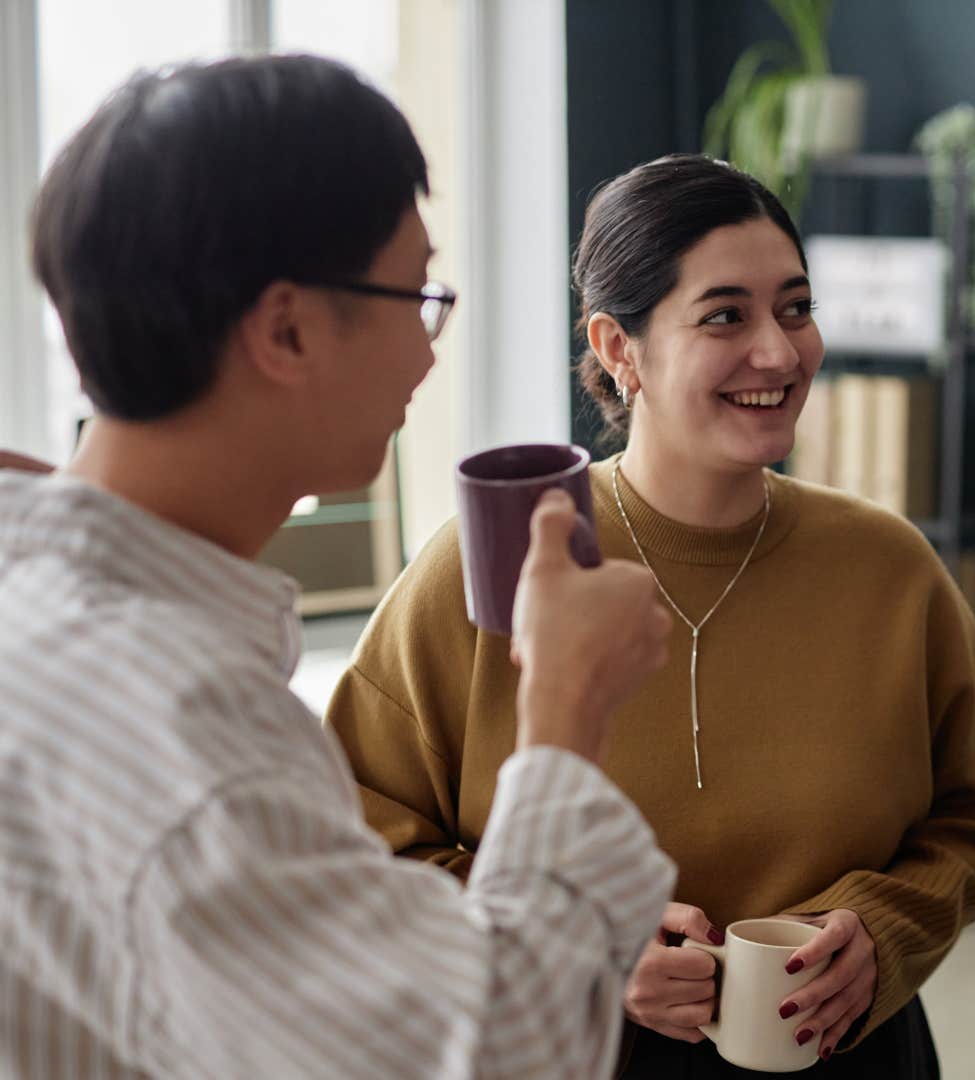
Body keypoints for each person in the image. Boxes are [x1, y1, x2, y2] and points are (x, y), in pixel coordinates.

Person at [0, 55, 679, 1077]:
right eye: (415, 294)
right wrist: (566, 708)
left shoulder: (39, 593)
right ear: (285, 329)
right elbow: (488, 1051)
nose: (427, 351)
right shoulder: (184, 736)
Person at [325, 153, 975, 1078]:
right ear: (619, 348)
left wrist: (885, 928)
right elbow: (359, 839)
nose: (780, 352)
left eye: (796, 306)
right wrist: (580, 943)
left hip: (850, 1053)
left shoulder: (889, 568)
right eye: (725, 316)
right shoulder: (497, 565)